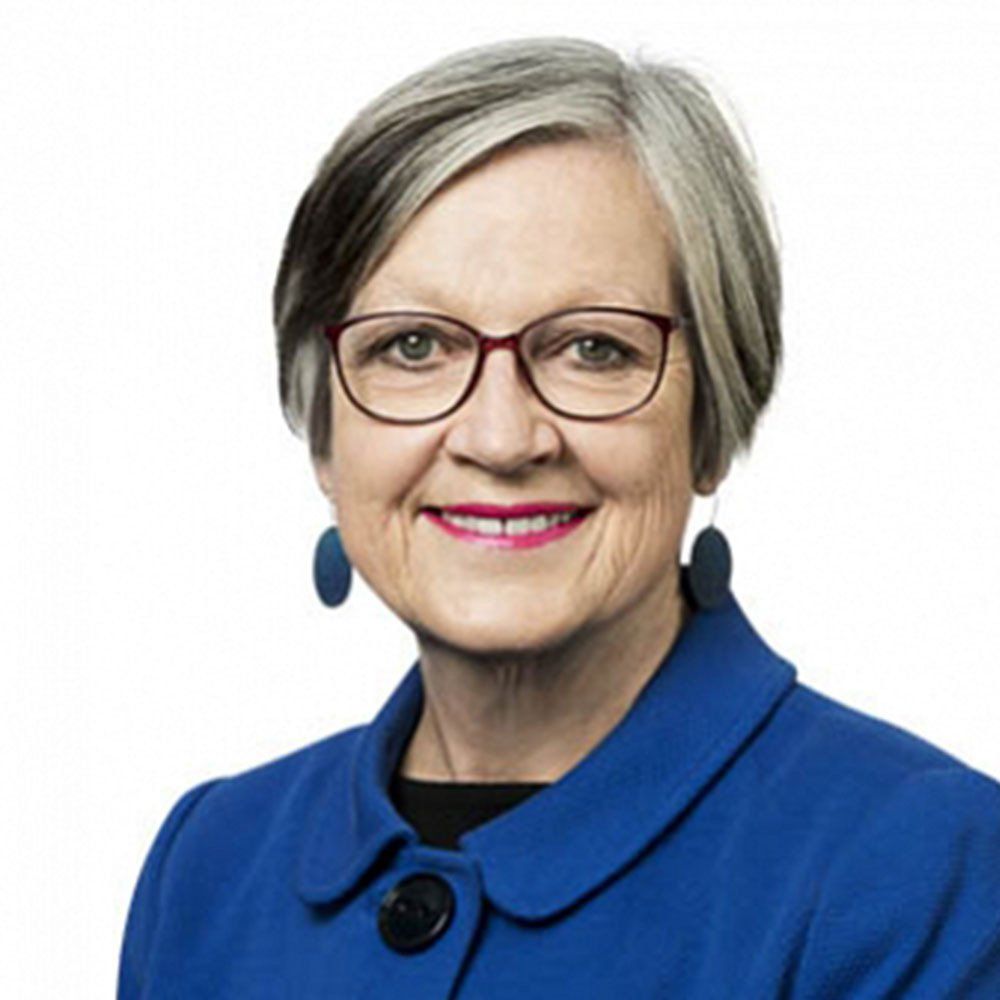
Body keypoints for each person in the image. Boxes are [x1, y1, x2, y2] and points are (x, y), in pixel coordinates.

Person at [117, 36, 1000, 998]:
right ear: (325, 438)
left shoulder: (919, 868)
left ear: (712, 424)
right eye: (412, 346)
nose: (502, 438)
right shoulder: (211, 861)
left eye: (593, 349)